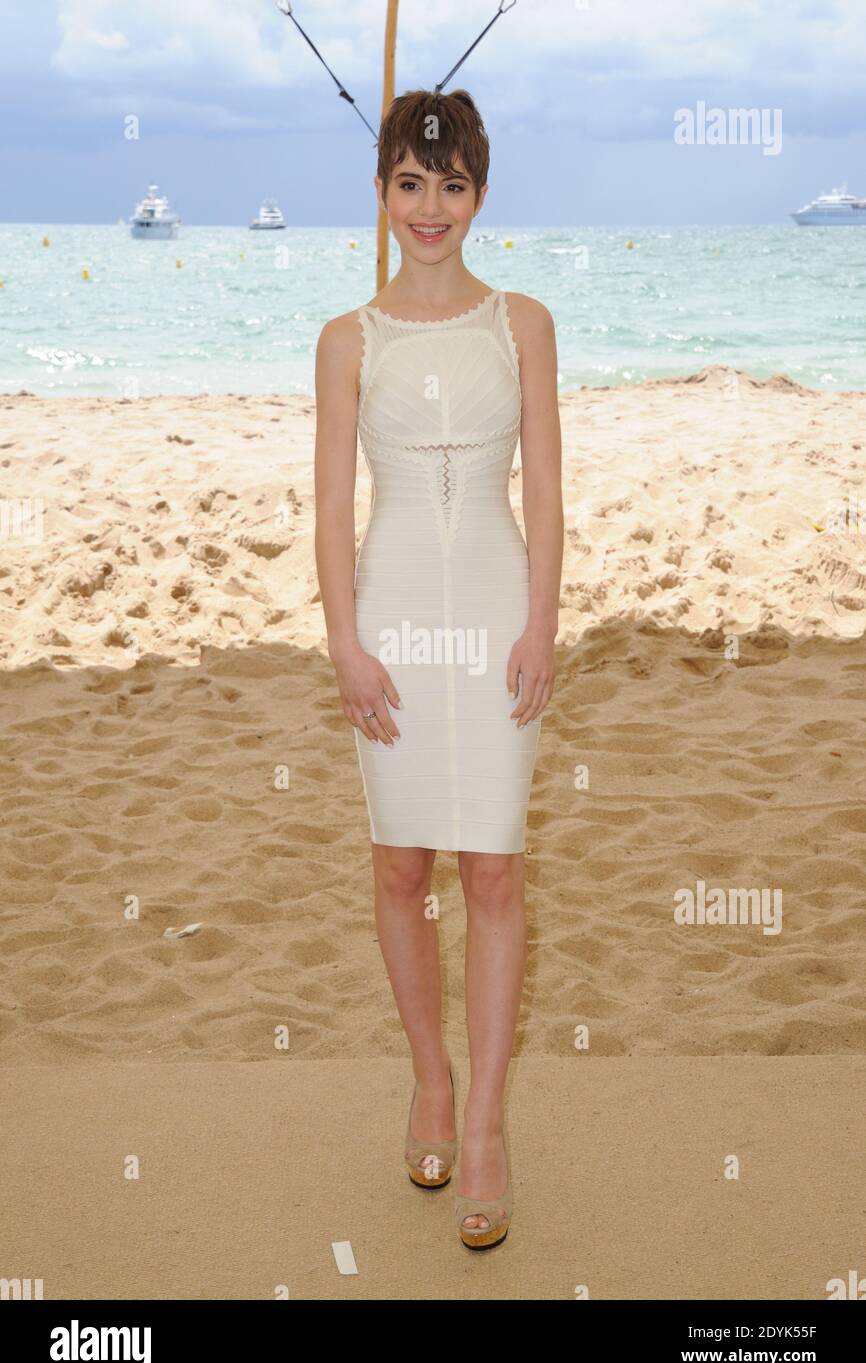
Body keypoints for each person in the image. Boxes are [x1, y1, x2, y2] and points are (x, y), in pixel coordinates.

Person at [314, 88, 563, 1249]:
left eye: (451, 183)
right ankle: (428, 1083)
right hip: (394, 616)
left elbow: (549, 495)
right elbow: (329, 512)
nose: (430, 206)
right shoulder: (344, 341)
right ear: (379, 192)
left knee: (495, 875)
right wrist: (345, 644)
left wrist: (541, 624)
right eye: (410, 184)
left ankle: (488, 1130)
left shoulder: (523, 323)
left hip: (499, 613)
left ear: (478, 194)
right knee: (400, 864)